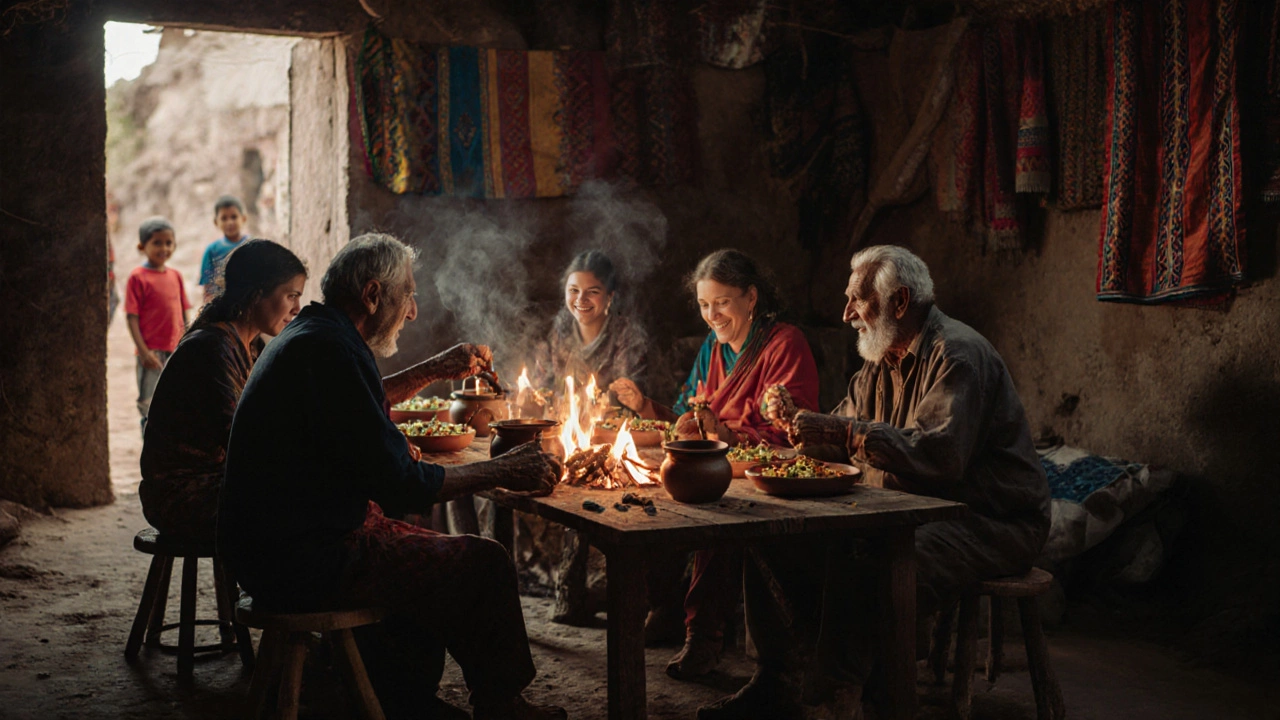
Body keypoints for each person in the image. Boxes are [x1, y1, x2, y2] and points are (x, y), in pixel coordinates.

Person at [218, 233, 567, 720]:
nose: (414, 311)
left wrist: (436, 368)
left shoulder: (321, 335)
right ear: (373, 294)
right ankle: (500, 704)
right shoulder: (329, 348)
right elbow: (400, 482)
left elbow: (357, 405)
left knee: (424, 547)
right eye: (409, 295)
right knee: (481, 562)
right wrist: (504, 469)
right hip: (301, 559)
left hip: (273, 545)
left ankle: (402, 698)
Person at [700, 245, 1051, 720]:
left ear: (900, 302)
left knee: (875, 560)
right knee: (771, 535)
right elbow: (842, 432)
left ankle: (838, 696)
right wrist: (797, 425)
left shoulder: (958, 355)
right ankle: (779, 679)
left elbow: (939, 456)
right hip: (912, 507)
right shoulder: (880, 359)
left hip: (990, 519)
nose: (846, 314)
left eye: (856, 301)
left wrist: (841, 432)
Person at [610, 248, 820, 680]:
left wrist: (725, 435)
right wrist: (646, 406)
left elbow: (793, 432)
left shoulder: (785, 344)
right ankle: (665, 604)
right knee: (646, 490)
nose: (712, 315)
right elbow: (690, 409)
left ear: (751, 298)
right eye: (705, 305)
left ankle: (703, 637)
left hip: (766, 472)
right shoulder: (712, 347)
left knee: (716, 509)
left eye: (722, 302)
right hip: (717, 461)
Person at [139, 240, 306, 543]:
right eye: (290, 295)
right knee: (311, 502)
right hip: (182, 497)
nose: (297, 308)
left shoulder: (250, 346)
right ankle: (269, 591)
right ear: (257, 294)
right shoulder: (212, 349)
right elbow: (246, 439)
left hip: (218, 484)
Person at [532, 250, 648, 626]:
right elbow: (543, 385)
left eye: (592, 291)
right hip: (566, 431)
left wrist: (623, 399)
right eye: (573, 290)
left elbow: (631, 399)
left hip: (608, 438)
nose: (581, 301)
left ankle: (597, 585)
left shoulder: (626, 334)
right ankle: (546, 577)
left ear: (610, 297)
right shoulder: (560, 331)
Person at [125, 217, 191, 432]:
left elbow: (183, 312)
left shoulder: (175, 276)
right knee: (149, 405)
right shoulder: (137, 278)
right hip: (151, 353)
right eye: (157, 243)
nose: (164, 248)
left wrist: (188, 342)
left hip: (175, 350)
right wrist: (144, 352)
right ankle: (150, 450)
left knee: (175, 400)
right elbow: (131, 317)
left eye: (168, 243)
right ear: (141, 247)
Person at [199, 195, 250, 302]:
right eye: (224, 218)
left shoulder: (252, 246)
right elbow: (207, 288)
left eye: (234, 217)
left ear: (243, 218)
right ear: (216, 222)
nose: (229, 222)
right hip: (222, 307)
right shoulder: (212, 251)